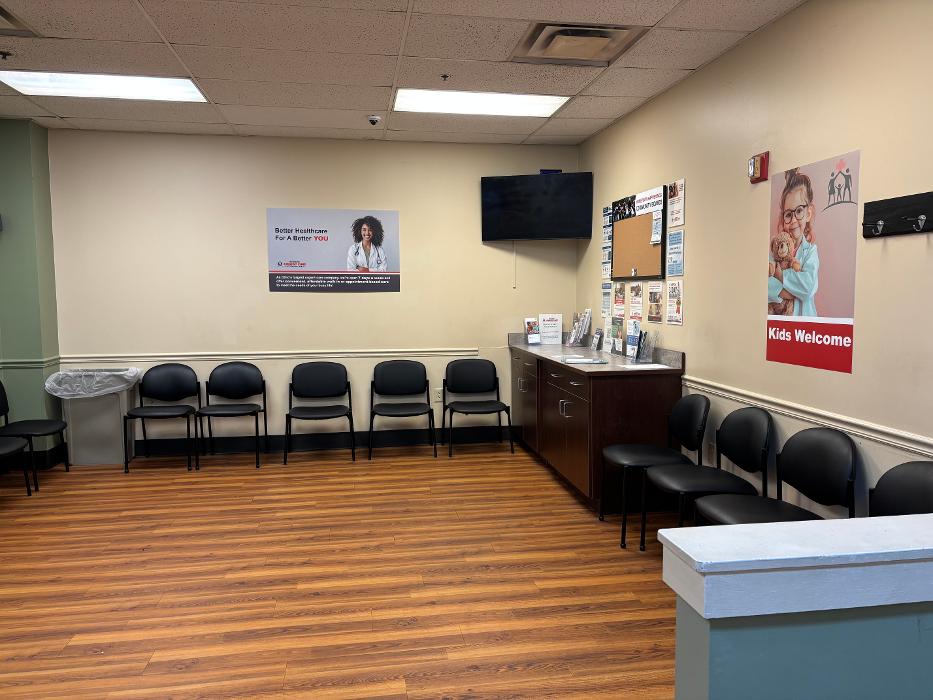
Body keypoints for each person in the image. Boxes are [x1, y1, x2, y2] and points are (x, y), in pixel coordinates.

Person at [768, 168, 820, 317]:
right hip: (782, 329)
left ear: (808, 213)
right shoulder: (775, 252)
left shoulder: (810, 251)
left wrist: (780, 275)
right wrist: (792, 292)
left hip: (806, 331)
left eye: (799, 211)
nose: (793, 220)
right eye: (788, 214)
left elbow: (808, 287)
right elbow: (766, 285)